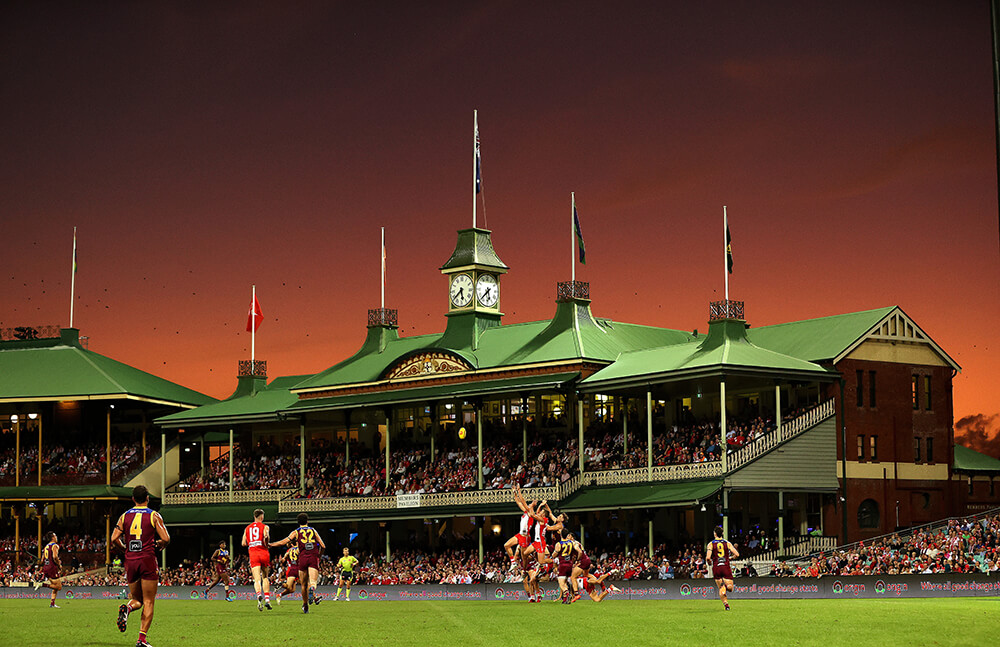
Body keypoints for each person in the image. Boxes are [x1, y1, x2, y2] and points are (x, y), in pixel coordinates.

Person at [112, 484, 170, 647]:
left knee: (136, 599)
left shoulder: (124, 516)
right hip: (147, 559)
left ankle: (127, 609)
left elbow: (114, 538)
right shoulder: (154, 515)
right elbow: (166, 538)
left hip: (131, 560)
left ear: (133, 499)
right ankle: (141, 640)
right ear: (147, 498)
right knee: (149, 601)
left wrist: (125, 549)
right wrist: (160, 544)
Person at [270, 512, 326, 613]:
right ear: (307, 521)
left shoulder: (296, 532)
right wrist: (319, 555)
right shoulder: (313, 530)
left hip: (302, 558)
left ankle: (305, 606)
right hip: (313, 557)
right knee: (312, 581)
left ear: (298, 522)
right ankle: (312, 589)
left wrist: (272, 544)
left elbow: (284, 541)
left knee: (303, 585)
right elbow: (323, 546)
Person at [242, 508, 272, 610]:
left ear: (254, 516)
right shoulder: (265, 527)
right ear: (262, 517)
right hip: (263, 552)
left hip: (253, 553)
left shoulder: (247, 528)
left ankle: (259, 595)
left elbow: (243, 543)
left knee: (257, 579)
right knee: (265, 577)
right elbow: (266, 537)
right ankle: (267, 599)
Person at [706, 525, 740, 611]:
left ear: (715, 534)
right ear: (722, 534)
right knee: (730, 588)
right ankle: (725, 586)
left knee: (721, 588)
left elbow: (708, 558)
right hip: (725, 566)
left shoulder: (711, 544)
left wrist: (709, 562)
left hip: (716, 567)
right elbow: (737, 554)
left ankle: (726, 605)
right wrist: (731, 558)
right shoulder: (727, 543)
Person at [34, 531, 63, 608]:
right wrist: (59, 565)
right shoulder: (55, 546)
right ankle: (42, 584)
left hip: (46, 568)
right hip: (52, 568)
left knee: (55, 587)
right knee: (59, 587)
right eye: (55, 535)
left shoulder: (46, 546)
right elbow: (54, 557)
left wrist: (40, 565)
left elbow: (42, 559)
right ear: (53, 537)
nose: (56, 537)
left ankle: (52, 604)